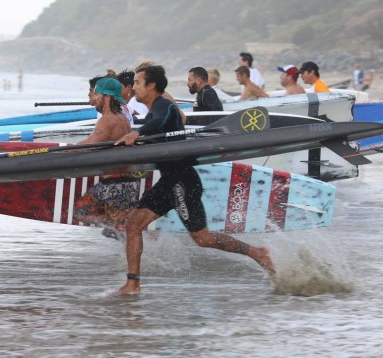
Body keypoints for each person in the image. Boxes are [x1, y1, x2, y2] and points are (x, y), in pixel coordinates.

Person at [113, 62, 274, 295]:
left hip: (182, 182)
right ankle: (132, 284)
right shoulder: (158, 108)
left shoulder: (163, 106)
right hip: (169, 181)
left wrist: (137, 133)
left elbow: (158, 120)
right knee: (133, 225)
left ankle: (257, 253)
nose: (134, 87)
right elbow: (159, 124)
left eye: (138, 83)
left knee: (202, 238)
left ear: (152, 85)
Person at [73, 77, 135, 234]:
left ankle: (115, 229)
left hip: (116, 186)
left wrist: (67, 151)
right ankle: (112, 227)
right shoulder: (122, 118)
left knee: (82, 213)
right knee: (83, 213)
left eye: (97, 94)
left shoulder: (107, 120)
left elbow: (92, 143)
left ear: (107, 97)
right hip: (122, 183)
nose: (94, 98)